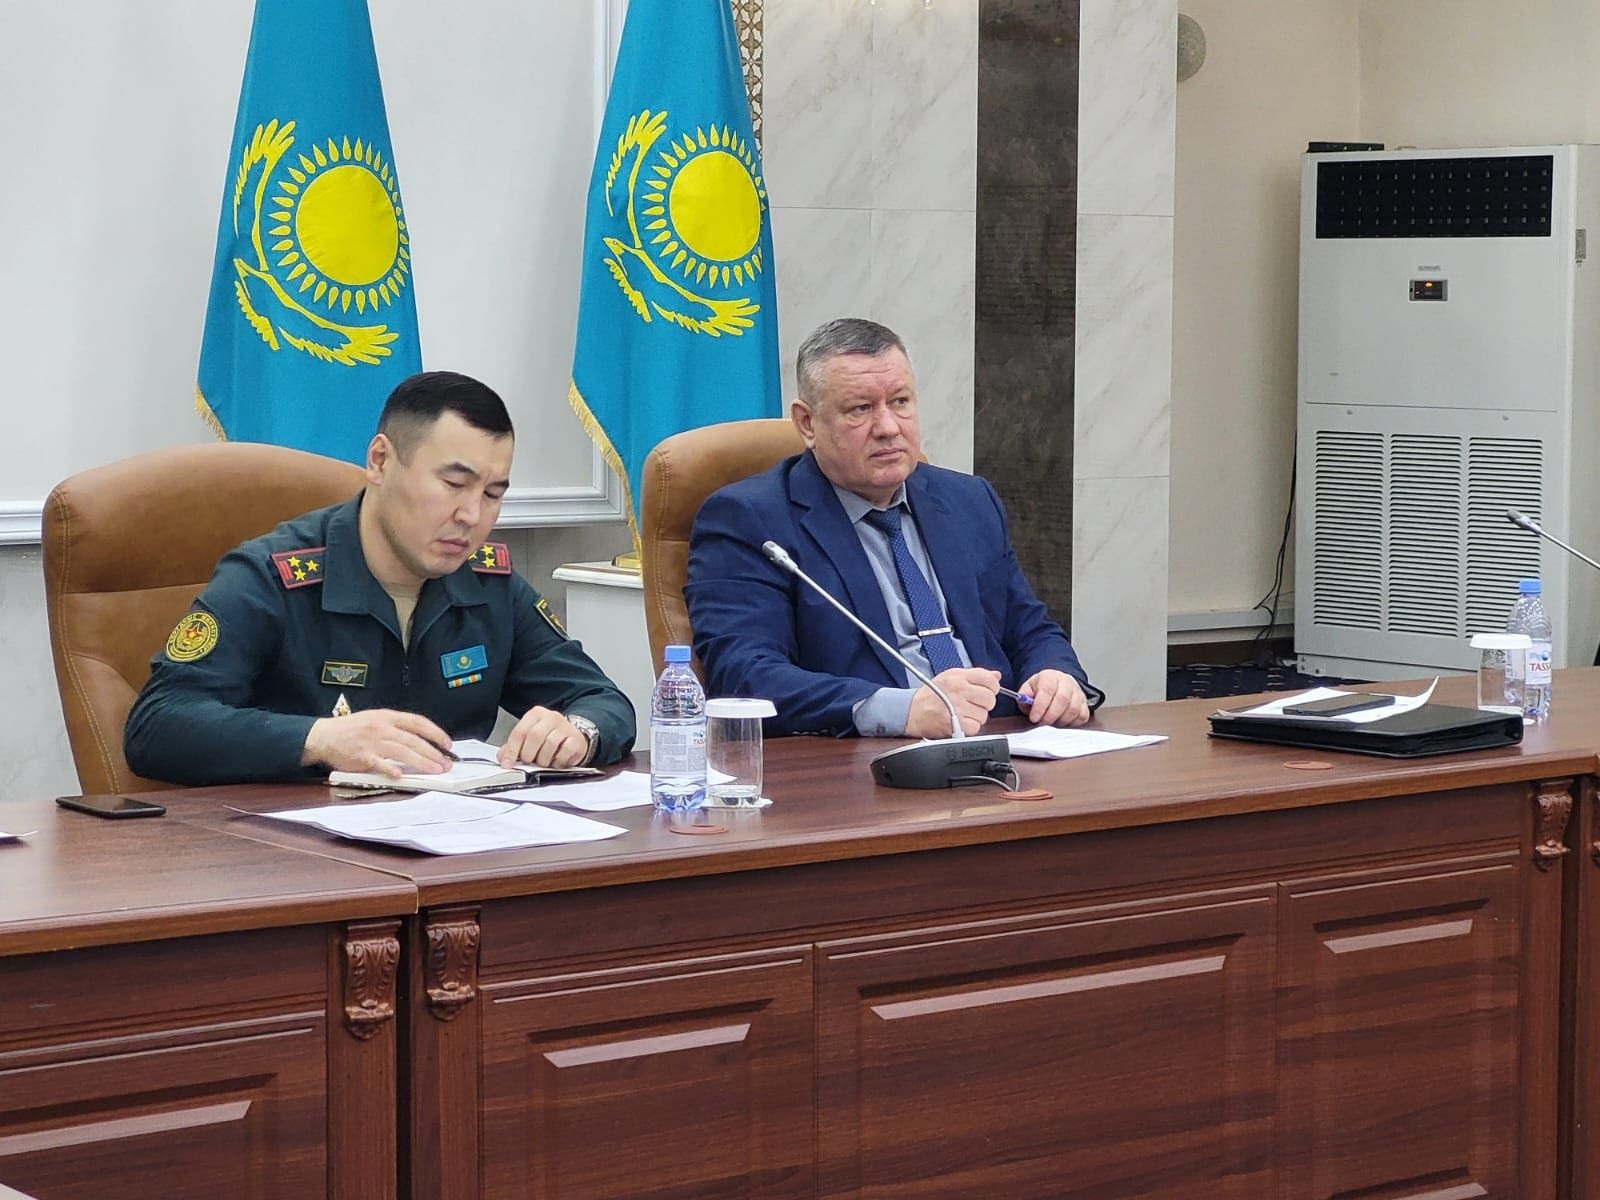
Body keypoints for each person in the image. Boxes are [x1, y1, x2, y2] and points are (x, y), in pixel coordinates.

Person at [125, 371, 635, 785]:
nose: (471, 515)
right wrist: (318, 739)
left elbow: (604, 701)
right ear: (380, 461)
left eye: (493, 494)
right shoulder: (274, 578)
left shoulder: (487, 582)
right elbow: (158, 724)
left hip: (453, 843)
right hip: (294, 851)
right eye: (453, 483)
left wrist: (577, 731)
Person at [686, 318, 1102, 739]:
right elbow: (746, 676)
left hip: (1004, 746)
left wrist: (1056, 675)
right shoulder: (749, 520)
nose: (888, 427)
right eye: (860, 409)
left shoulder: (969, 500)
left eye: (900, 401)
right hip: (868, 759)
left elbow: (1029, 628)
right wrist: (902, 710)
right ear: (807, 423)